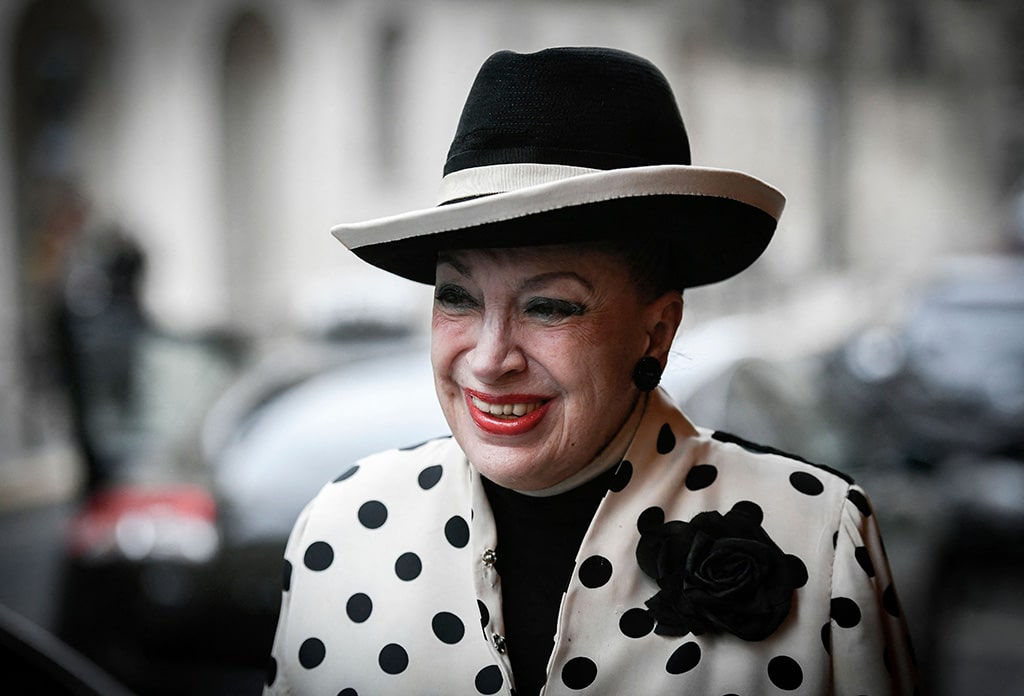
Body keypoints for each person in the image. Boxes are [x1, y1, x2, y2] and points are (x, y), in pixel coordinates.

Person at [264, 47, 918, 695]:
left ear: (657, 331)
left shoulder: (819, 533)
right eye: (457, 297)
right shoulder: (344, 525)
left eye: (548, 307)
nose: (491, 360)